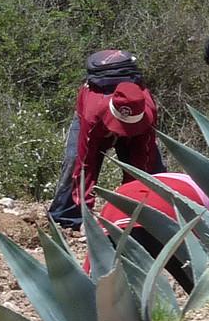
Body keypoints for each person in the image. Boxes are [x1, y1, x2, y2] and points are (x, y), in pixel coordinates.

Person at [47, 49, 162, 230]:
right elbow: (86, 164)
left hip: (136, 128)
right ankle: (69, 217)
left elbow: (143, 161)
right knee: (74, 162)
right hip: (96, 124)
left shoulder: (147, 111)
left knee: (153, 170)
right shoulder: (93, 113)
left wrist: (135, 202)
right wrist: (86, 211)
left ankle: (151, 216)